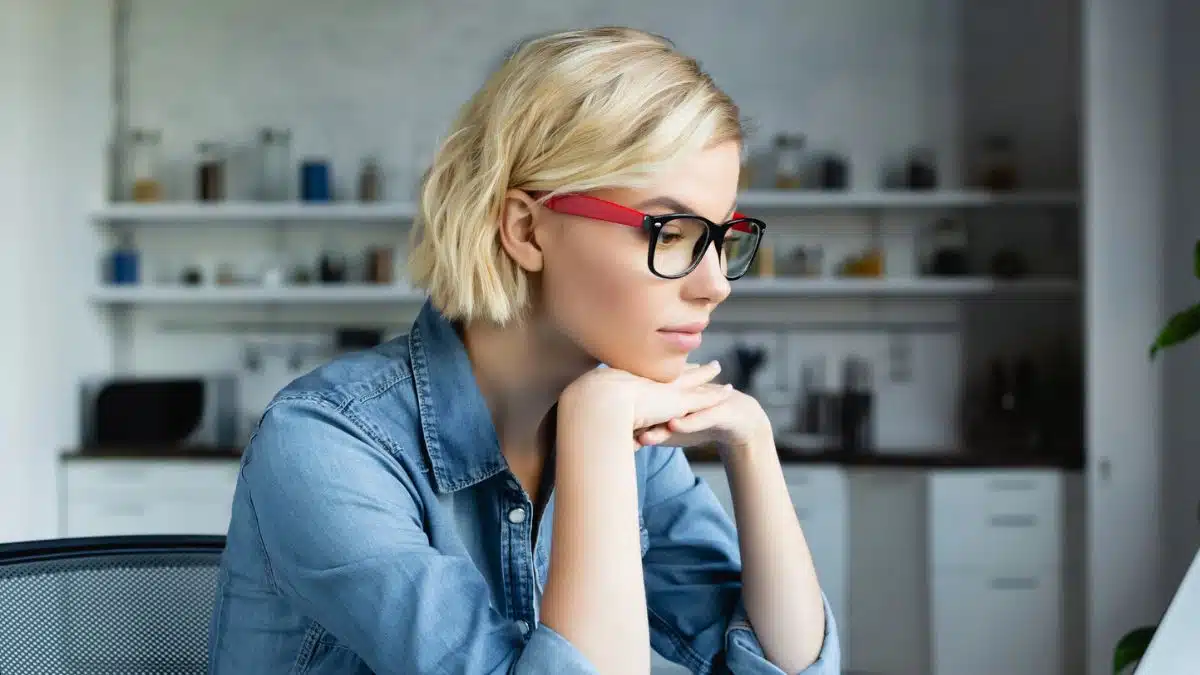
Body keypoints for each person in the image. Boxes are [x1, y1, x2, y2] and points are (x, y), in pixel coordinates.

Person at [206, 26, 839, 675]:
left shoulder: (629, 434)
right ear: (526, 229)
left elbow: (786, 667)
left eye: (722, 238)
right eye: (672, 232)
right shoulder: (326, 440)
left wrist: (752, 441)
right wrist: (594, 426)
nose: (713, 286)